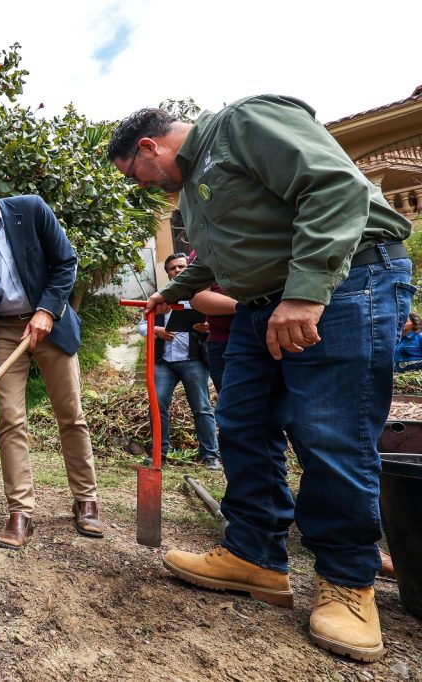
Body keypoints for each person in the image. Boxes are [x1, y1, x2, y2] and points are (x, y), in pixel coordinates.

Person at [108, 97, 413, 662]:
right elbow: (219, 255)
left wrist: (303, 294)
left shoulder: (241, 125)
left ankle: (348, 582)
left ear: (149, 147)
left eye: (138, 175)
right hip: (258, 305)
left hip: (344, 285)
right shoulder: (196, 188)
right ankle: (255, 556)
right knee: (241, 422)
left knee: (331, 433)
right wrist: (170, 292)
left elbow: (333, 189)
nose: (146, 187)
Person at [0, 162, 102, 549]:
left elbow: (66, 262)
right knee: (10, 419)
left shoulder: (30, 210)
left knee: (70, 413)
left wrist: (48, 309)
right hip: (5, 331)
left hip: (51, 319)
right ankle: (20, 511)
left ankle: (86, 500)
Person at [137, 252, 220, 470]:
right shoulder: (160, 296)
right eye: (173, 268)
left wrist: (206, 328)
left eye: (181, 267)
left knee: (201, 407)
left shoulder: (201, 297)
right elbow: (141, 325)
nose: (177, 271)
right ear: (168, 273)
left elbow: (216, 323)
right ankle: (158, 455)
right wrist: (156, 330)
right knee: (157, 405)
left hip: (193, 361)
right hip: (163, 362)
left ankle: (210, 456)